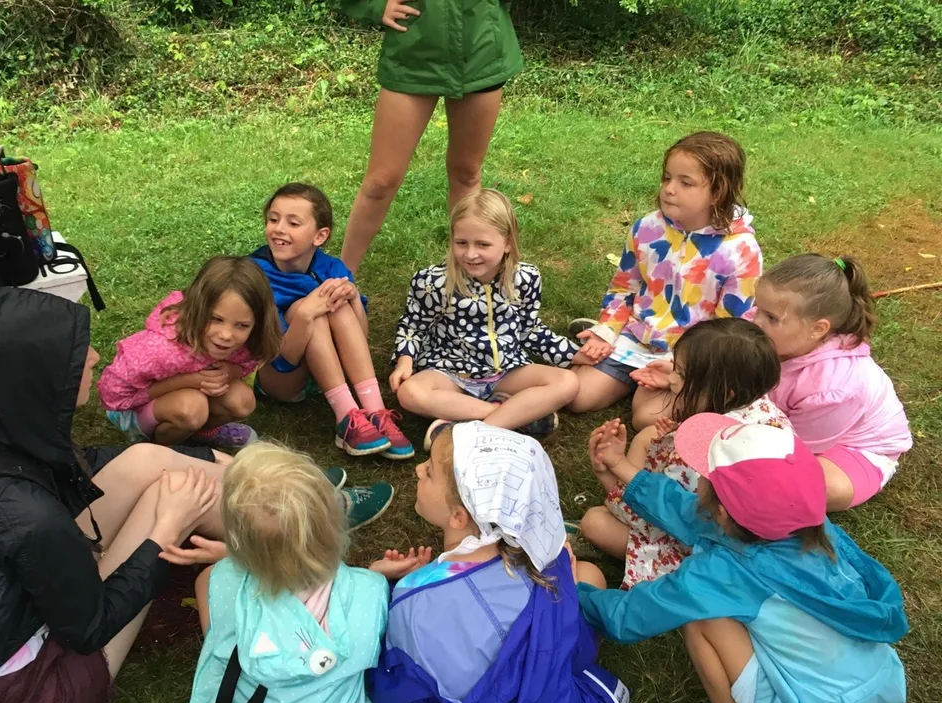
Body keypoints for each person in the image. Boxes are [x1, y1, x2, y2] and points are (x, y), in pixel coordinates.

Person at [0, 286, 229, 703]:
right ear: (33, 371)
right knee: (174, 495)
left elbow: (83, 462)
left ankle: (292, 499)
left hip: (3, 611)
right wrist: (164, 531)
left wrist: (214, 457)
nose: (95, 356)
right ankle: (296, 534)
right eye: (74, 351)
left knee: (147, 460)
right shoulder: (21, 509)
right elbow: (89, 629)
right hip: (26, 695)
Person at [579, 414, 908, 703]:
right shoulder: (808, 525)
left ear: (721, 511)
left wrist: (568, 588)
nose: (699, 479)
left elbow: (627, 617)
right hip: (876, 693)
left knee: (703, 618)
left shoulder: (723, 573)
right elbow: (689, 513)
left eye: (706, 475)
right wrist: (619, 465)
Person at [369, 422, 632, 703]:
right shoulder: (548, 562)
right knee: (590, 576)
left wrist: (377, 582)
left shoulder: (412, 598)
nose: (419, 469)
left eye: (429, 471)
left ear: (459, 516)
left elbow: (398, 684)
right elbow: (570, 642)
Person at [183, 442, 424, 703]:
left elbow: (229, 575)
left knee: (207, 581)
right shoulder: (371, 593)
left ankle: (247, 644)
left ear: (237, 545)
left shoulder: (224, 578)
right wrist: (373, 575)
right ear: (337, 527)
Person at [567, 131, 763, 428]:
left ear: (719, 191)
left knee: (645, 418)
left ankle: (649, 388)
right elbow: (624, 286)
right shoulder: (648, 227)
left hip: (688, 360)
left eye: (685, 183)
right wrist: (607, 331)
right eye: (667, 178)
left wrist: (680, 367)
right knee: (578, 397)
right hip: (634, 339)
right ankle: (609, 349)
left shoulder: (741, 251)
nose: (669, 189)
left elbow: (729, 331)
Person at [578, 318, 790, 588]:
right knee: (648, 436)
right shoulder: (762, 410)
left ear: (724, 393)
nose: (672, 380)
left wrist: (609, 468)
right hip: (754, 537)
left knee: (595, 521)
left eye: (681, 373)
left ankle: (627, 501)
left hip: (708, 551)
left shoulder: (698, 450)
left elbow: (664, 513)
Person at [338, 0, 523, 273]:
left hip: (481, 48)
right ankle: (339, 278)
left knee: (466, 172)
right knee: (381, 181)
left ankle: (465, 279)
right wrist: (375, 6)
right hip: (412, 52)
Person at [389, 189, 580, 449]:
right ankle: (509, 416)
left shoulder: (526, 278)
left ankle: (465, 427)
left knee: (567, 383)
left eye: (483, 244)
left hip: (507, 372)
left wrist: (573, 354)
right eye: (461, 243)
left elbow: (529, 330)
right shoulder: (432, 281)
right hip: (450, 373)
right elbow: (413, 325)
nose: (470, 254)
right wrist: (405, 359)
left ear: (508, 243)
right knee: (410, 393)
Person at [251, 183, 414, 461]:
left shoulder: (333, 268)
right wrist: (305, 314)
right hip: (279, 377)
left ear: (320, 235)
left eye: (293, 223)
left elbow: (359, 338)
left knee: (337, 302)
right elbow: (281, 358)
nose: (279, 229)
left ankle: (375, 412)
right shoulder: (254, 275)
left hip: (325, 370)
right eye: (273, 219)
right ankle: (346, 418)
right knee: (309, 305)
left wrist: (352, 299)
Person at [753, 253, 912, 511]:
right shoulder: (778, 334)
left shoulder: (832, 387)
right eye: (758, 308)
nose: (755, 321)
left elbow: (793, 450)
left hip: (853, 447)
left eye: (770, 317)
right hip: (792, 421)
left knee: (805, 485)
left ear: (818, 329)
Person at [98, 256, 281, 449]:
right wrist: (187, 381)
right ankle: (160, 449)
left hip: (185, 399)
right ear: (197, 309)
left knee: (242, 401)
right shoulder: (160, 348)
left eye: (242, 325)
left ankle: (199, 434)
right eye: (216, 319)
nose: (227, 335)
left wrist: (232, 371)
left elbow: (247, 363)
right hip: (131, 409)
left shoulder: (250, 340)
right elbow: (114, 395)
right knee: (192, 407)